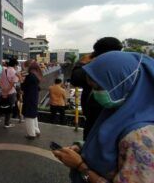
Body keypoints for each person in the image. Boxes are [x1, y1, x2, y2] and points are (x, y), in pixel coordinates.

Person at [53, 51, 154, 183]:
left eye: (99, 88)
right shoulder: (119, 110)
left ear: (124, 85)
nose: (95, 94)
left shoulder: (140, 139)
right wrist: (82, 147)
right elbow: (114, 146)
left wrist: (80, 166)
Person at [71, 37, 123, 140]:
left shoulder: (99, 66)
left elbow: (76, 79)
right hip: (121, 121)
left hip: (96, 119)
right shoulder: (128, 65)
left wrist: (81, 63)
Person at [0, 58, 20, 128]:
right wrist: (7, 91)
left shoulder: (4, 70)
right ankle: (7, 123)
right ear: (15, 65)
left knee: (1, 106)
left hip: (3, 91)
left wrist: (3, 89)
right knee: (9, 108)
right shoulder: (14, 71)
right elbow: (13, 83)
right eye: (17, 65)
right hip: (11, 92)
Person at [22, 60, 43, 139]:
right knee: (33, 115)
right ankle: (36, 131)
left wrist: (21, 78)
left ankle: (31, 134)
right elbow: (38, 88)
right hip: (34, 97)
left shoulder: (30, 76)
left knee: (28, 116)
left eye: (25, 66)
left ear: (29, 67)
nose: (24, 68)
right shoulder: (36, 75)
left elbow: (23, 87)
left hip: (29, 98)